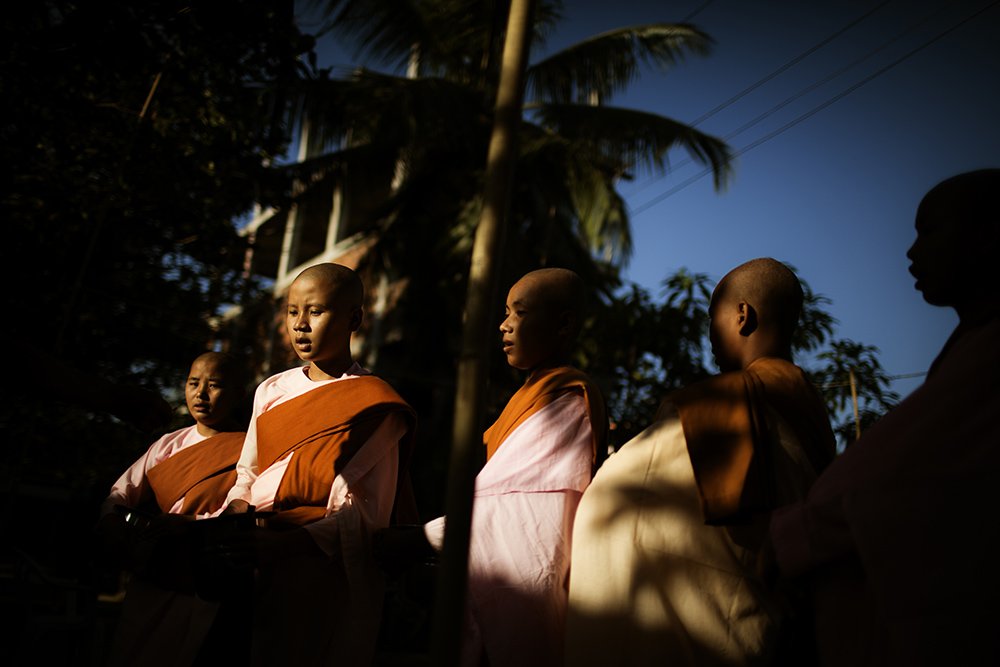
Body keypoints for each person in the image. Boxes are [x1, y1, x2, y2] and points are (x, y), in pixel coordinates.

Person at [769, 169, 1000, 665]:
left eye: (929, 231)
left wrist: (793, 537)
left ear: (986, 234)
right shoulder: (968, 347)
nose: (912, 252)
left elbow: (904, 479)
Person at [565, 258, 836, 667]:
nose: (709, 332)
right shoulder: (814, 424)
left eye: (714, 316)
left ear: (743, 315)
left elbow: (623, 504)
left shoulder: (716, 407)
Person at [374, 268, 608, 666]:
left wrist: (415, 540)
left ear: (564, 324)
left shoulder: (568, 397)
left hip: (523, 592)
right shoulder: (529, 396)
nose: (504, 325)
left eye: (519, 313)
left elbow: (511, 513)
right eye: (505, 312)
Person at [218, 262, 417, 666]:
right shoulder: (272, 389)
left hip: (317, 560)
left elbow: (368, 511)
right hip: (253, 550)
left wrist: (289, 544)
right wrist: (237, 508)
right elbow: (248, 471)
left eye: (316, 311)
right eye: (292, 312)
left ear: (354, 318)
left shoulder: (375, 402)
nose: (300, 325)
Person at [96, 351, 248, 667]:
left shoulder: (250, 449)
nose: (200, 394)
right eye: (194, 383)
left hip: (202, 578)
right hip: (153, 568)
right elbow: (121, 491)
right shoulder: (168, 444)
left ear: (238, 395)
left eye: (215, 385)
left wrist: (190, 523)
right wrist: (110, 518)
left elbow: (244, 508)